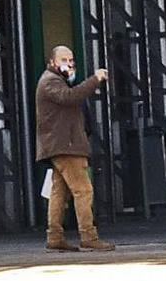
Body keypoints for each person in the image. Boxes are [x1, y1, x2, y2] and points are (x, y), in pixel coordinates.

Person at [36, 46, 114, 252]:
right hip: (66, 146)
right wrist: (94, 80)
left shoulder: (56, 81)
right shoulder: (50, 82)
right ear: (52, 62)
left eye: (71, 60)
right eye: (63, 60)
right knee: (83, 190)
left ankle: (54, 237)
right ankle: (88, 235)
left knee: (59, 193)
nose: (69, 64)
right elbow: (70, 97)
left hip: (62, 145)